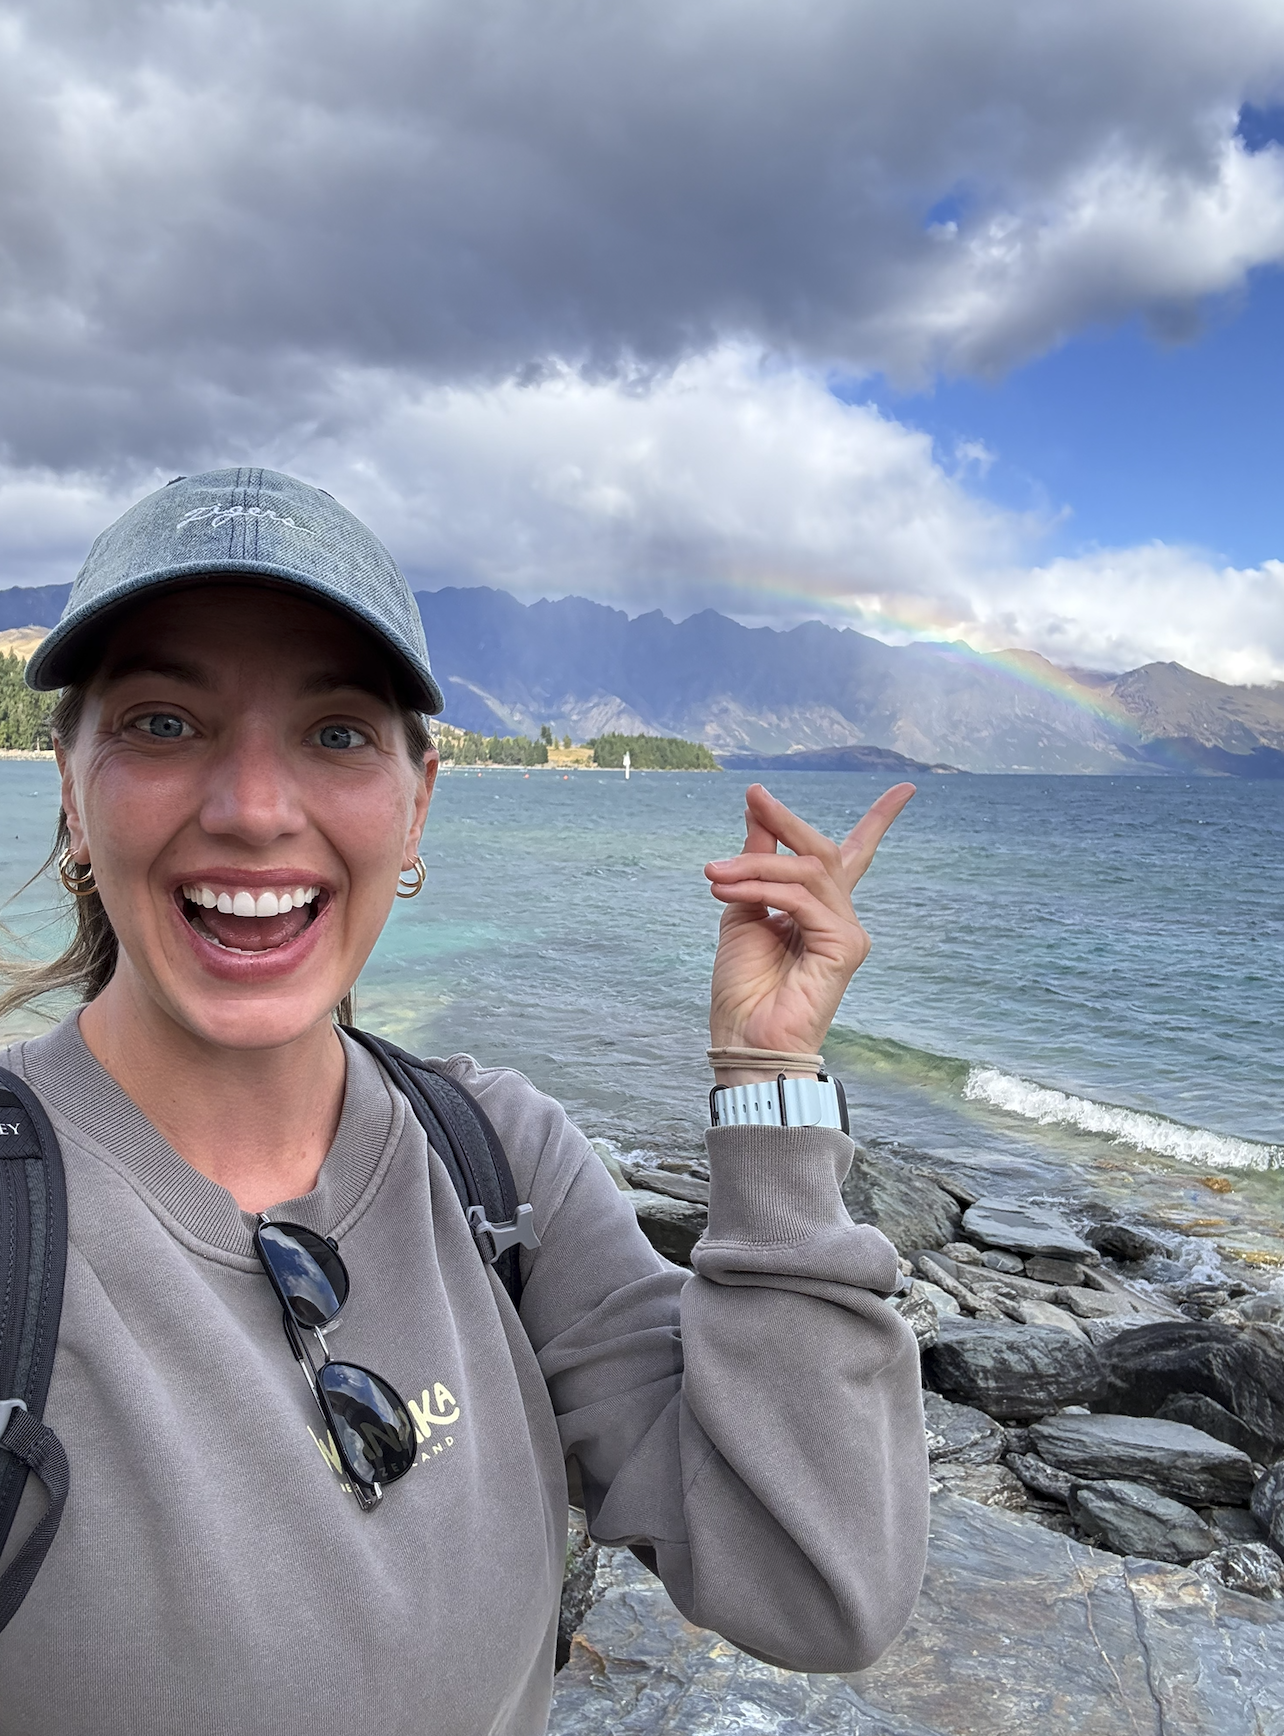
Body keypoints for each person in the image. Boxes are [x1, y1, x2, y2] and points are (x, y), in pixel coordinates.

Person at [0, 468, 928, 1736]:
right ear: (71, 783)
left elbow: (819, 1584)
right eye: (164, 723)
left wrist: (768, 1079)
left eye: (336, 734)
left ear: (418, 800)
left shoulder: (502, 1162)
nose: (255, 810)